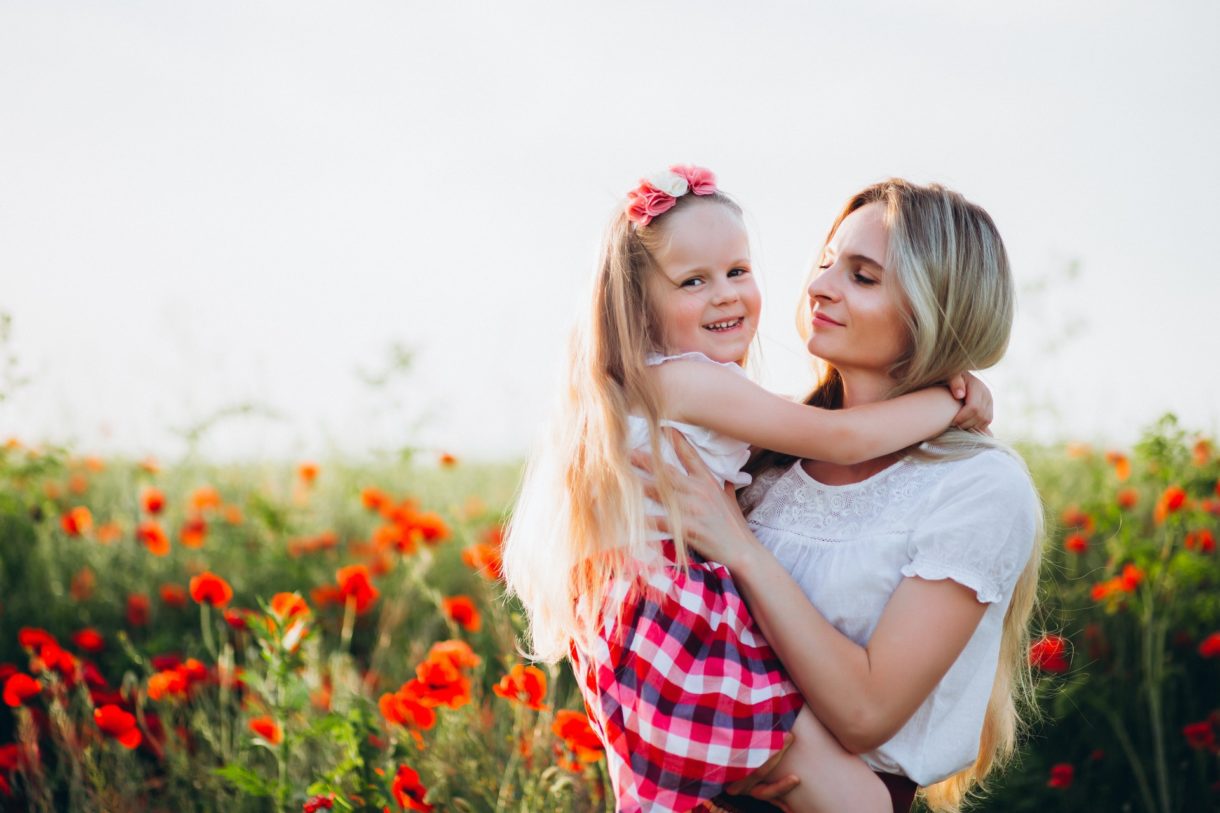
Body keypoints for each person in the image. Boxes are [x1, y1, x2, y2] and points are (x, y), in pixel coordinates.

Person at [502, 166, 992, 813]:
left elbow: (786, 431)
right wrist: (947, 402)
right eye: (693, 281)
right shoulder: (688, 383)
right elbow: (838, 438)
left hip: (644, 628)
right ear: (639, 303)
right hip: (680, 620)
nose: (726, 295)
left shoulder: (655, 391)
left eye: (738, 270)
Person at [642, 179, 1043, 813]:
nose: (820, 285)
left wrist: (740, 549)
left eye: (863, 276)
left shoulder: (977, 487)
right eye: (827, 261)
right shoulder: (759, 461)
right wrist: (713, 750)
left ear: (936, 308)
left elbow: (865, 713)